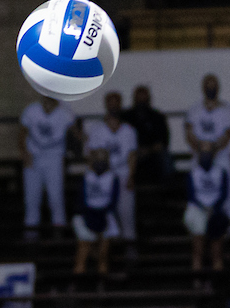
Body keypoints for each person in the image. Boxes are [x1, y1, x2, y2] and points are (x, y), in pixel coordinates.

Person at [83, 91, 137, 246]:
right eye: (110, 102)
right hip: (104, 176)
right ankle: (105, 250)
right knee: (104, 215)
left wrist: (131, 176)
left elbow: (132, 155)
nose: (113, 106)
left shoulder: (128, 130)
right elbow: (91, 156)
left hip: (123, 172)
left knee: (126, 214)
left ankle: (129, 248)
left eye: (116, 102)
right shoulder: (97, 129)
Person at [185, 74, 230, 228]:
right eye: (208, 85)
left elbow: (228, 133)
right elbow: (189, 132)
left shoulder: (227, 109)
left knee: (228, 189)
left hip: (221, 156)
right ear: (203, 87)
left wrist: (213, 150)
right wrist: (202, 150)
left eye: (213, 84)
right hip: (199, 156)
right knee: (197, 188)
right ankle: (198, 224)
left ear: (218, 87)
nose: (211, 87)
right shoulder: (194, 109)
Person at [18, 94, 74, 237]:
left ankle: (59, 236)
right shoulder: (31, 110)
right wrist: (24, 153)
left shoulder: (64, 112)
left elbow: (76, 134)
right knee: (31, 199)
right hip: (33, 157)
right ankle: (30, 238)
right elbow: (22, 133)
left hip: (54, 159)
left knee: (56, 198)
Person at [72, 148, 120, 278]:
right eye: (97, 160)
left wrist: (101, 218)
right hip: (86, 216)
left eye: (102, 160)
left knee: (103, 256)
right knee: (83, 252)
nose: (100, 163)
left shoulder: (112, 178)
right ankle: (77, 284)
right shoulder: (86, 177)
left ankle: (102, 285)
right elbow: (81, 201)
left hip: (104, 216)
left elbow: (113, 202)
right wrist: (91, 219)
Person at [184, 148, 230, 273]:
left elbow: (224, 194)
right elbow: (191, 195)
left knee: (217, 252)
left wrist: (213, 208)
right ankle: (197, 281)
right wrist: (204, 208)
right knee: (198, 251)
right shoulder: (193, 173)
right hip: (198, 211)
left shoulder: (220, 172)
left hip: (215, 212)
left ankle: (217, 280)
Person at [122, 85, 171, 184]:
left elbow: (163, 142)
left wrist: (148, 150)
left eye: (143, 99)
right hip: (131, 154)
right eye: (139, 99)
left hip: (152, 153)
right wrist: (135, 151)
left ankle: (166, 187)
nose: (141, 102)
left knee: (165, 158)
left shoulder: (157, 117)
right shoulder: (125, 117)